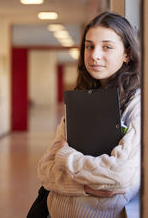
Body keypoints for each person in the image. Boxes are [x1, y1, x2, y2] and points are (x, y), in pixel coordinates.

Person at [37, 12, 141, 218]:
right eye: (89, 46)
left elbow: (119, 175)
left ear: (127, 54)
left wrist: (66, 158)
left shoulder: (137, 104)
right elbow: (45, 170)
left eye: (107, 47)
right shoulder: (80, 100)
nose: (94, 55)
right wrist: (85, 188)